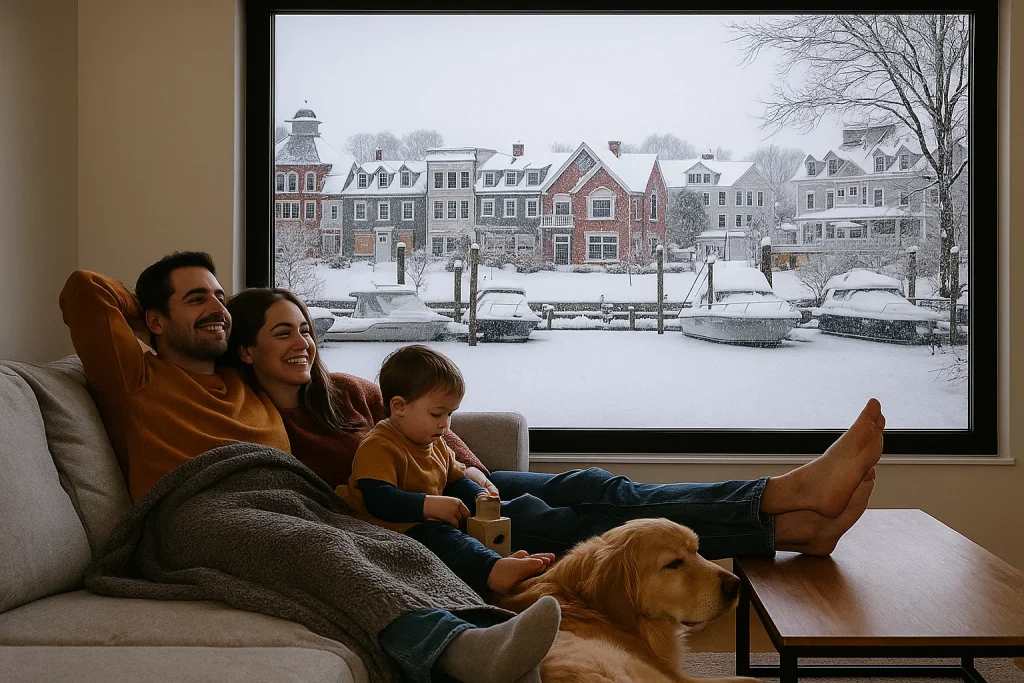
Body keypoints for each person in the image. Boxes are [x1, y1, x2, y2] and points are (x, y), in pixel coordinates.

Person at [59, 253, 559, 683]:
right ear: (154, 320)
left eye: (219, 297)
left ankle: (480, 627)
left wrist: (460, 469)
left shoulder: (248, 382)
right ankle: (451, 648)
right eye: (196, 299)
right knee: (317, 547)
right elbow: (85, 291)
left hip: (289, 496)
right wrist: (145, 310)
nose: (217, 309)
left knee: (390, 542)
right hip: (192, 505)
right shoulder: (137, 378)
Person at [226, 286, 882, 565]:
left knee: (595, 482)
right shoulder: (254, 419)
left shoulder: (346, 390)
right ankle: (789, 514)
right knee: (577, 524)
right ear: (247, 349)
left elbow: (441, 435)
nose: (304, 341)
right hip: (424, 519)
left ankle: (788, 507)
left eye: (307, 328)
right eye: (284, 332)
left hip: (464, 485)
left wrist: (478, 474)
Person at [334, 344, 555, 600]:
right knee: (444, 538)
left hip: (424, 521)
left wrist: (478, 498)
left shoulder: (435, 442)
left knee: (477, 525)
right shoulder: (378, 446)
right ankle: (492, 571)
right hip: (387, 529)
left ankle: (497, 559)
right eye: (437, 413)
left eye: (450, 414)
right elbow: (379, 500)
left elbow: (456, 477)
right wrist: (430, 505)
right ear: (399, 407)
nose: (445, 423)